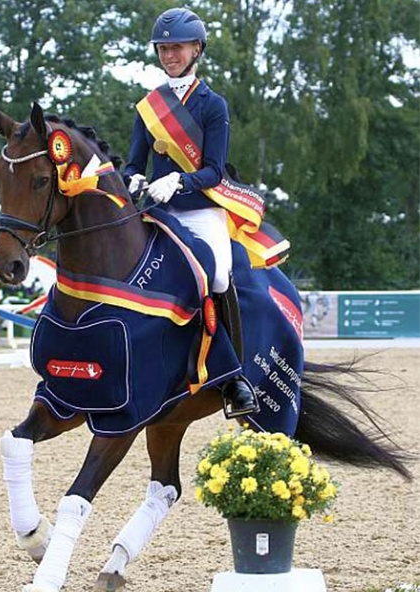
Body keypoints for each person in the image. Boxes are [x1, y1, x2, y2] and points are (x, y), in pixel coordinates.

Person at [124, 7, 259, 418]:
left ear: (196, 49)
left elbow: (215, 170)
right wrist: (132, 179)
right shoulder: (149, 108)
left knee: (217, 274)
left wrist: (179, 182)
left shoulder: (212, 105)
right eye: (163, 49)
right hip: (159, 213)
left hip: (200, 210)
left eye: (177, 48)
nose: (170, 55)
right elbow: (134, 162)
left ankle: (234, 377)